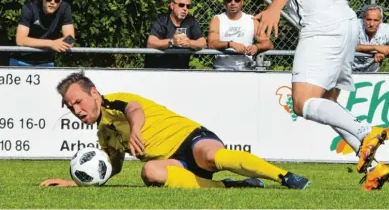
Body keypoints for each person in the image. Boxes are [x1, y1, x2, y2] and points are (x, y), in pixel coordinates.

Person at [231, 0, 389, 190]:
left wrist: (275, 8)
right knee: (326, 103)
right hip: (345, 21)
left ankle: (366, 132)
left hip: (321, 24)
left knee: (303, 103)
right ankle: (373, 167)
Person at [40, 72, 309, 189]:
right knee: (150, 172)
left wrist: (135, 130)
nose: (76, 109)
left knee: (211, 156)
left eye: (78, 101)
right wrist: (77, 182)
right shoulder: (104, 134)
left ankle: (284, 176)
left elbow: (135, 108)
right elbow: (114, 166)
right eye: (70, 106)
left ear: (95, 93)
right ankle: (233, 187)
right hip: (174, 161)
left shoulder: (114, 101)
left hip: (191, 139)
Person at [10, 0, 75, 67]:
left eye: (57, 0)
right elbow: (20, 40)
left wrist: (61, 43)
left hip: (46, 62)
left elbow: (71, 39)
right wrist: (51, 44)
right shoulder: (29, 8)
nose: (52, 2)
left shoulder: (65, 9)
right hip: (21, 60)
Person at [208, 0, 273, 70]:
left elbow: (269, 44)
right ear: (224, 2)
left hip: (246, 70)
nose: (233, 2)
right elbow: (211, 43)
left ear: (242, 1)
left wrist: (257, 47)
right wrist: (230, 44)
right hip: (222, 69)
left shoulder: (251, 20)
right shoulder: (217, 19)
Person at [145, 0, 206, 69]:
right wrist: (172, 42)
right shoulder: (162, 21)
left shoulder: (191, 22)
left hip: (180, 71)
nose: (185, 9)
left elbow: (202, 43)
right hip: (158, 70)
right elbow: (151, 43)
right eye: (181, 5)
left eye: (188, 6)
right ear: (172, 5)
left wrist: (189, 43)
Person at [353, 4, 389, 72]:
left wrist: (385, 51)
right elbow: (348, 46)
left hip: (371, 75)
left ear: (380, 21)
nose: (371, 24)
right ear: (363, 19)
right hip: (348, 73)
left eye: (376, 20)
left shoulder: (385, 29)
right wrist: (376, 48)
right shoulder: (355, 25)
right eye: (368, 19)